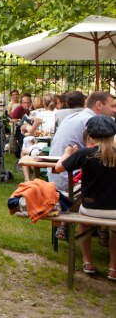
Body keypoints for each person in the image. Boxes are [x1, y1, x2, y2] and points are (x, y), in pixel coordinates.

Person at [55, 115, 116, 281]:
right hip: (115, 211)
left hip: (90, 208)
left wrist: (67, 153)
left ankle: (88, 262)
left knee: (83, 225)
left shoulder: (85, 153)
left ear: (90, 134)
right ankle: (113, 268)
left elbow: (58, 167)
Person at [49, 91, 116, 193]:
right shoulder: (93, 122)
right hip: (71, 180)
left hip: (57, 177)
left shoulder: (75, 117)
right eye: (112, 106)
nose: (114, 110)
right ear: (99, 105)